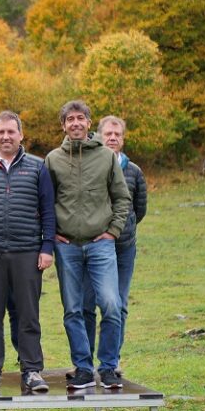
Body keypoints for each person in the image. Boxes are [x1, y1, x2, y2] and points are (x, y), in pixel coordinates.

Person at [0, 111, 56, 392]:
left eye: (10, 132)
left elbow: (47, 211)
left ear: (20, 135)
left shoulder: (37, 168)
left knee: (28, 314)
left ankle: (31, 370)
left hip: (27, 252)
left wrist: (47, 246)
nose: (5, 137)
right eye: (0, 132)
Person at [45, 100, 131, 389]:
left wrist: (113, 231)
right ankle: (83, 367)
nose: (76, 123)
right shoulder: (53, 159)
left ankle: (107, 367)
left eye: (80, 118)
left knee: (111, 304)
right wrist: (52, 231)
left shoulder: (106, 157)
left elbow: (122, 198)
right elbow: (45, 202)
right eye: (70, 119)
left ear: (88, 122)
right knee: (74, 309)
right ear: (63, 125)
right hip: (67, 246)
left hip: (100, 244)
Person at [83, 115, 148, 372]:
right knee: (86, 303)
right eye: (108, 133)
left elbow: (139, 209)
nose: (112, 138)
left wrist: (119, 230)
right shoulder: (89, 165)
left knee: (118, 304)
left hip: (122, 247)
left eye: (117, 134)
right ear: (98, 135)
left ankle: (112, 359)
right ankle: (84, 362)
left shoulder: (134, 172)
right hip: (89, 244)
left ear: (122, 139)